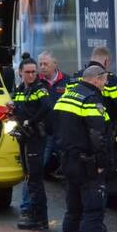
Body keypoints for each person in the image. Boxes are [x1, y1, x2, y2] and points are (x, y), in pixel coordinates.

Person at [53, 65, 112, 232]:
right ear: (96, 80)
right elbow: (98, 134)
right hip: (88, 164)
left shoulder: (67, 97)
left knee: (73, 211)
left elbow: (54, 128)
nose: (105, 85)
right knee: (93, 212)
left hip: (68, 161)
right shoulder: (90, 99)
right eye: (104, 80)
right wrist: (102, 162)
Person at [72, 46, 117, 232]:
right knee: (98, 186)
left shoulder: (76, 78)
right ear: (106, 62)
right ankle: (97, 227)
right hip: (100, 138)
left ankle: (81, 226)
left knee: (77, 189)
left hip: (76, 143)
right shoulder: (110, 80)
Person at [9, 55, 53, 230]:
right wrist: (13, 111)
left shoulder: (39, 89)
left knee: (35, 179)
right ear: (20, 73)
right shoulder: (20, 90)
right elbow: (21, 110)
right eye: (27, 72)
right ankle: (35, 215)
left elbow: (46, 107)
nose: (31, 75)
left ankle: (40, 218)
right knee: (28, 177)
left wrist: (30, 121)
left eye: (34, 72)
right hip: (23, 137)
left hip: (35, 137)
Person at [38, 51, 68, 181]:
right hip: (44, 131)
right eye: (41, 64)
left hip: (63, 131)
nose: (43, 67)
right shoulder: (37, 82)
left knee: (68, 166)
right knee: (39, 165)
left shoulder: (67, 81)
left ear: (55, 64)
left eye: (46, 64)